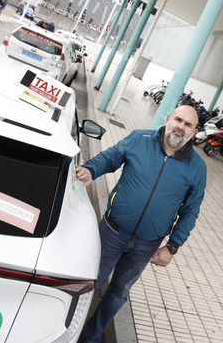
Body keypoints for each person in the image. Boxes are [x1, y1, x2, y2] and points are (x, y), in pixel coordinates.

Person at [76, 105, 207, 343]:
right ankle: (66, 329)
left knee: (118, 293)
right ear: (168, 119)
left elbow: (190, 211)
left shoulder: (197, 168)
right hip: (112, 232)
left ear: (194, 131)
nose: (181, 126)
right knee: (87, 283)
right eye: (178, 119)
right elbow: (110, 157)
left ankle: (90, 337)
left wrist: (172, 246)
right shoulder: (140, 139)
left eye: (188, 124)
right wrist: (91, 170)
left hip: (147, 245)